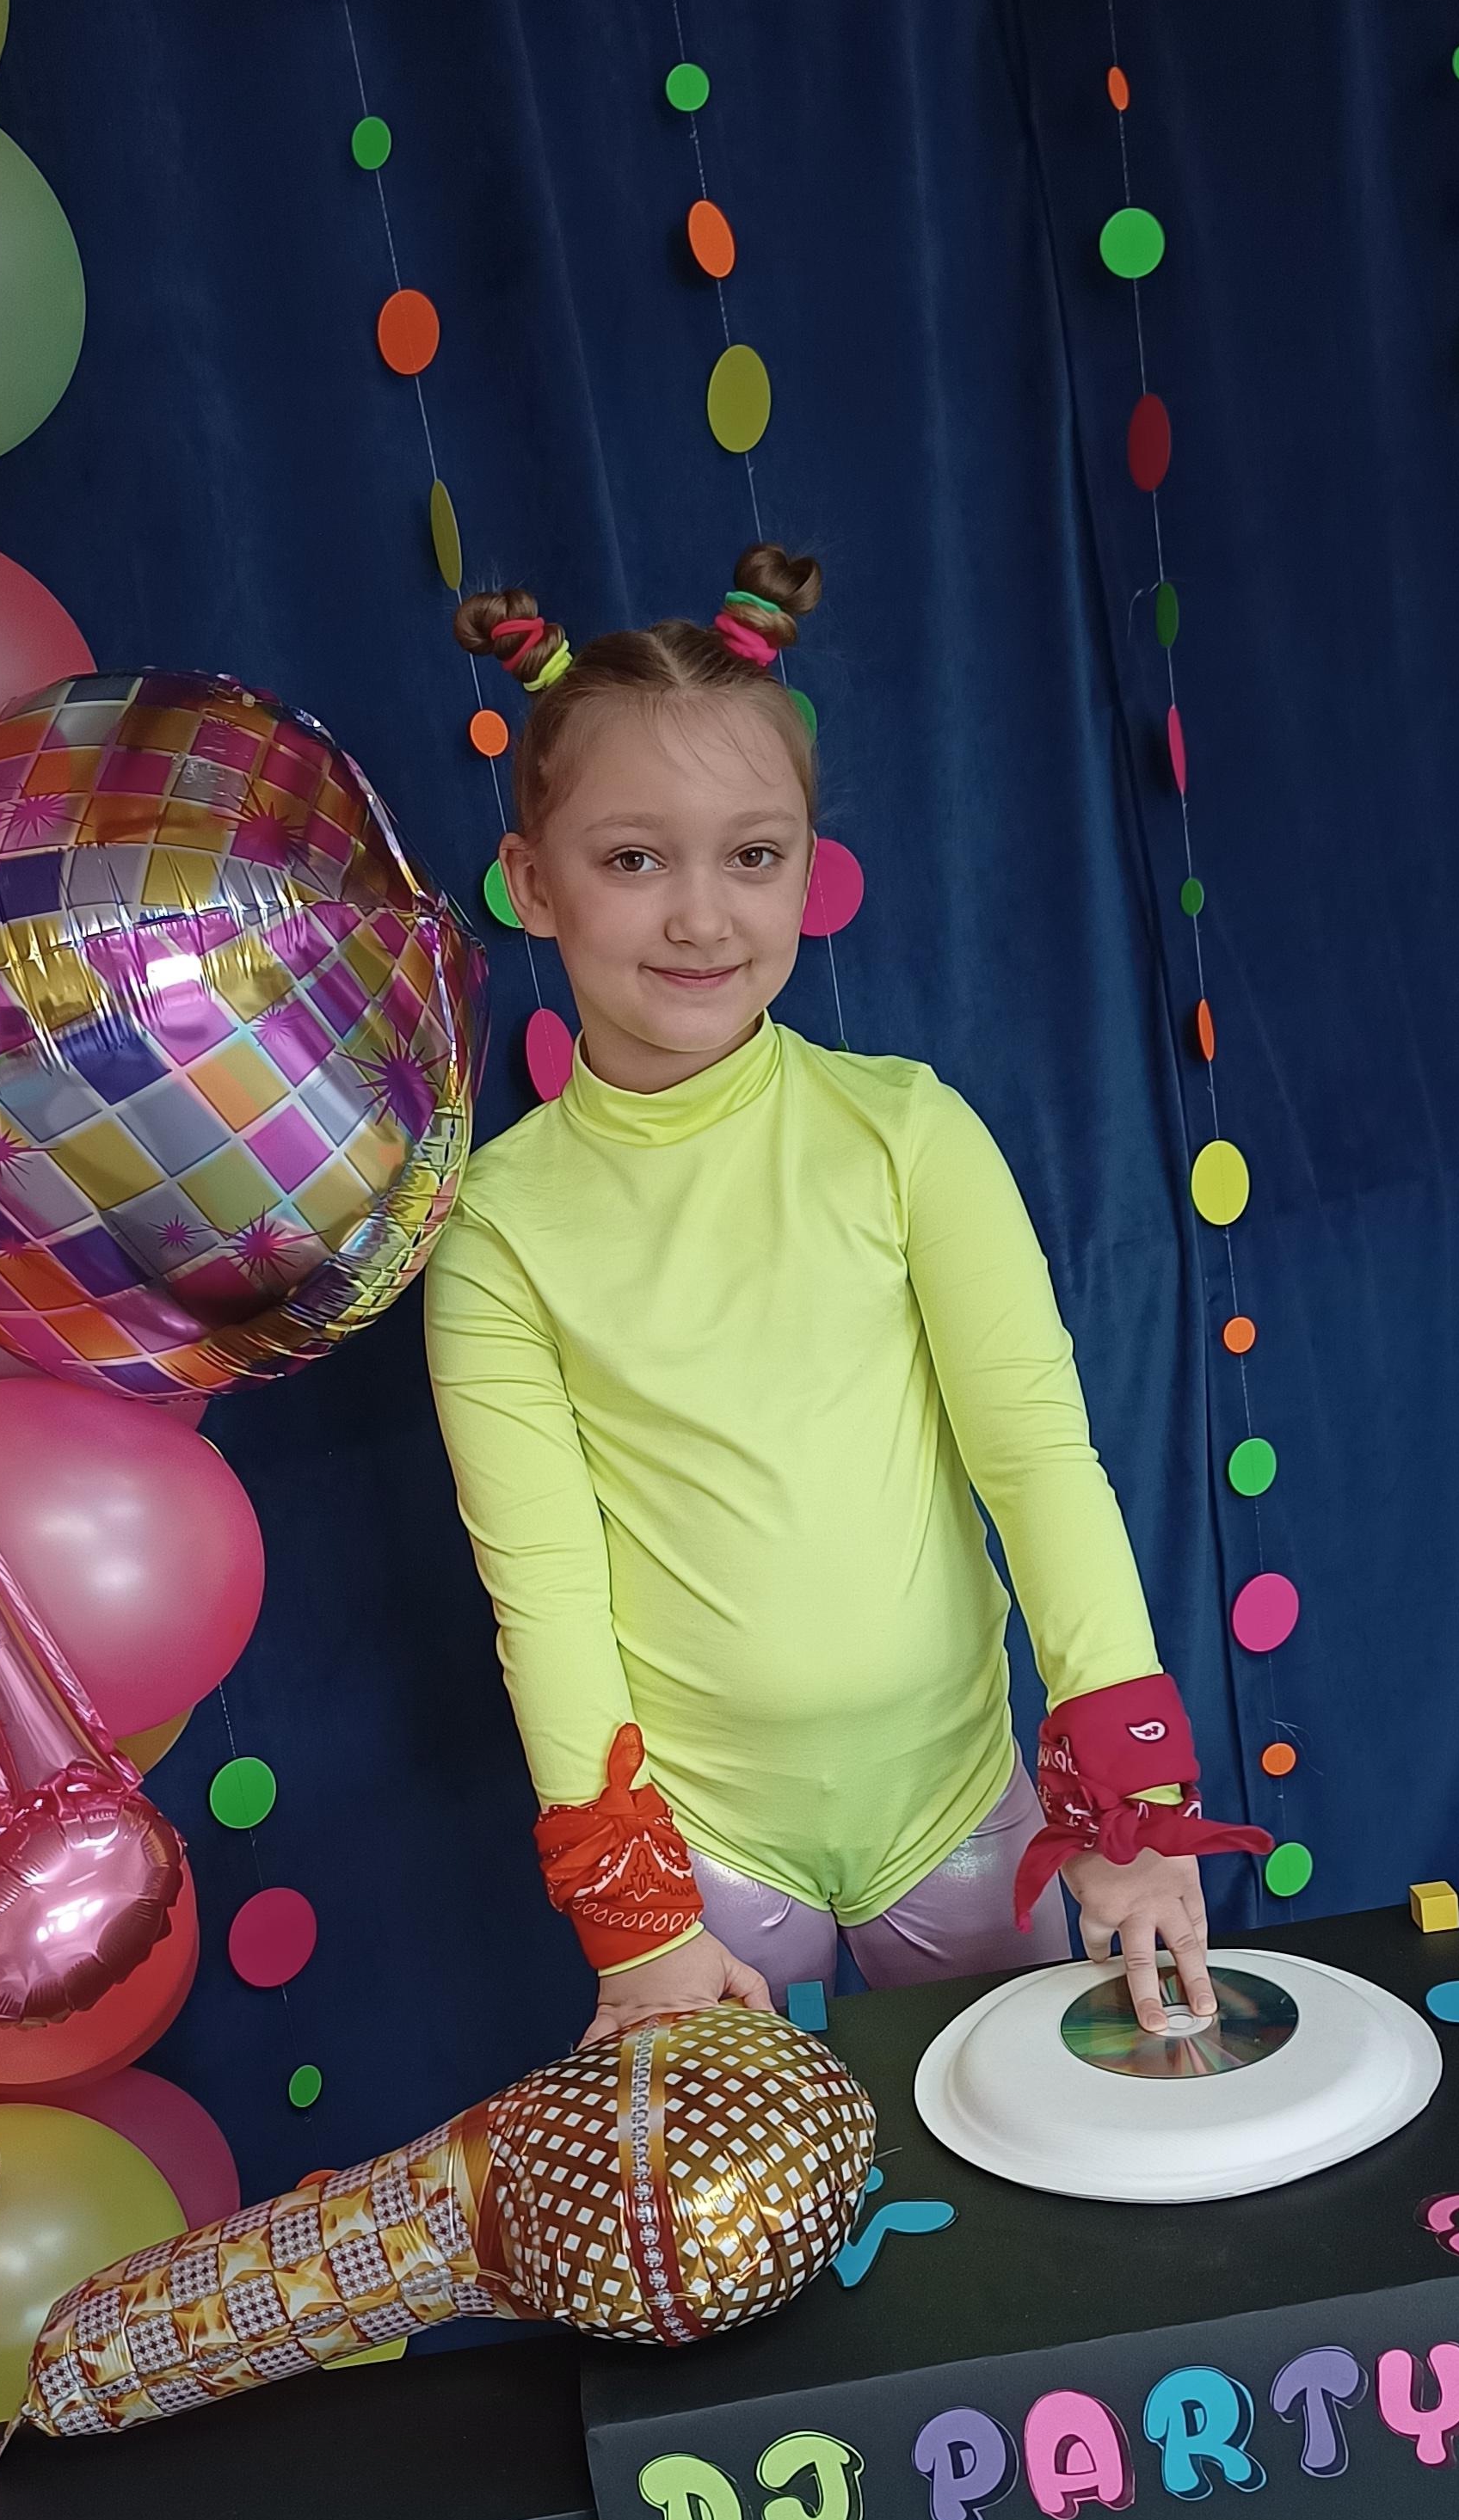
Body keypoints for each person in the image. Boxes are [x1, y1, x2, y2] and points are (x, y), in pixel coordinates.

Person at [426, 548, 1267, 2050]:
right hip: (703, 1853)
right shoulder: (495, 1226)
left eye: (752, 856)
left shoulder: (907, 1134)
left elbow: (1037, 1462)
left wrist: (1133, 1806)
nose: (702, 918)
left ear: (808, 869)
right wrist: (638, 1923)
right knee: (759, 2200)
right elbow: (543, 1592)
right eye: (635, 861)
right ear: (532, 882)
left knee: (1029, 2158)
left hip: (961, 1813)